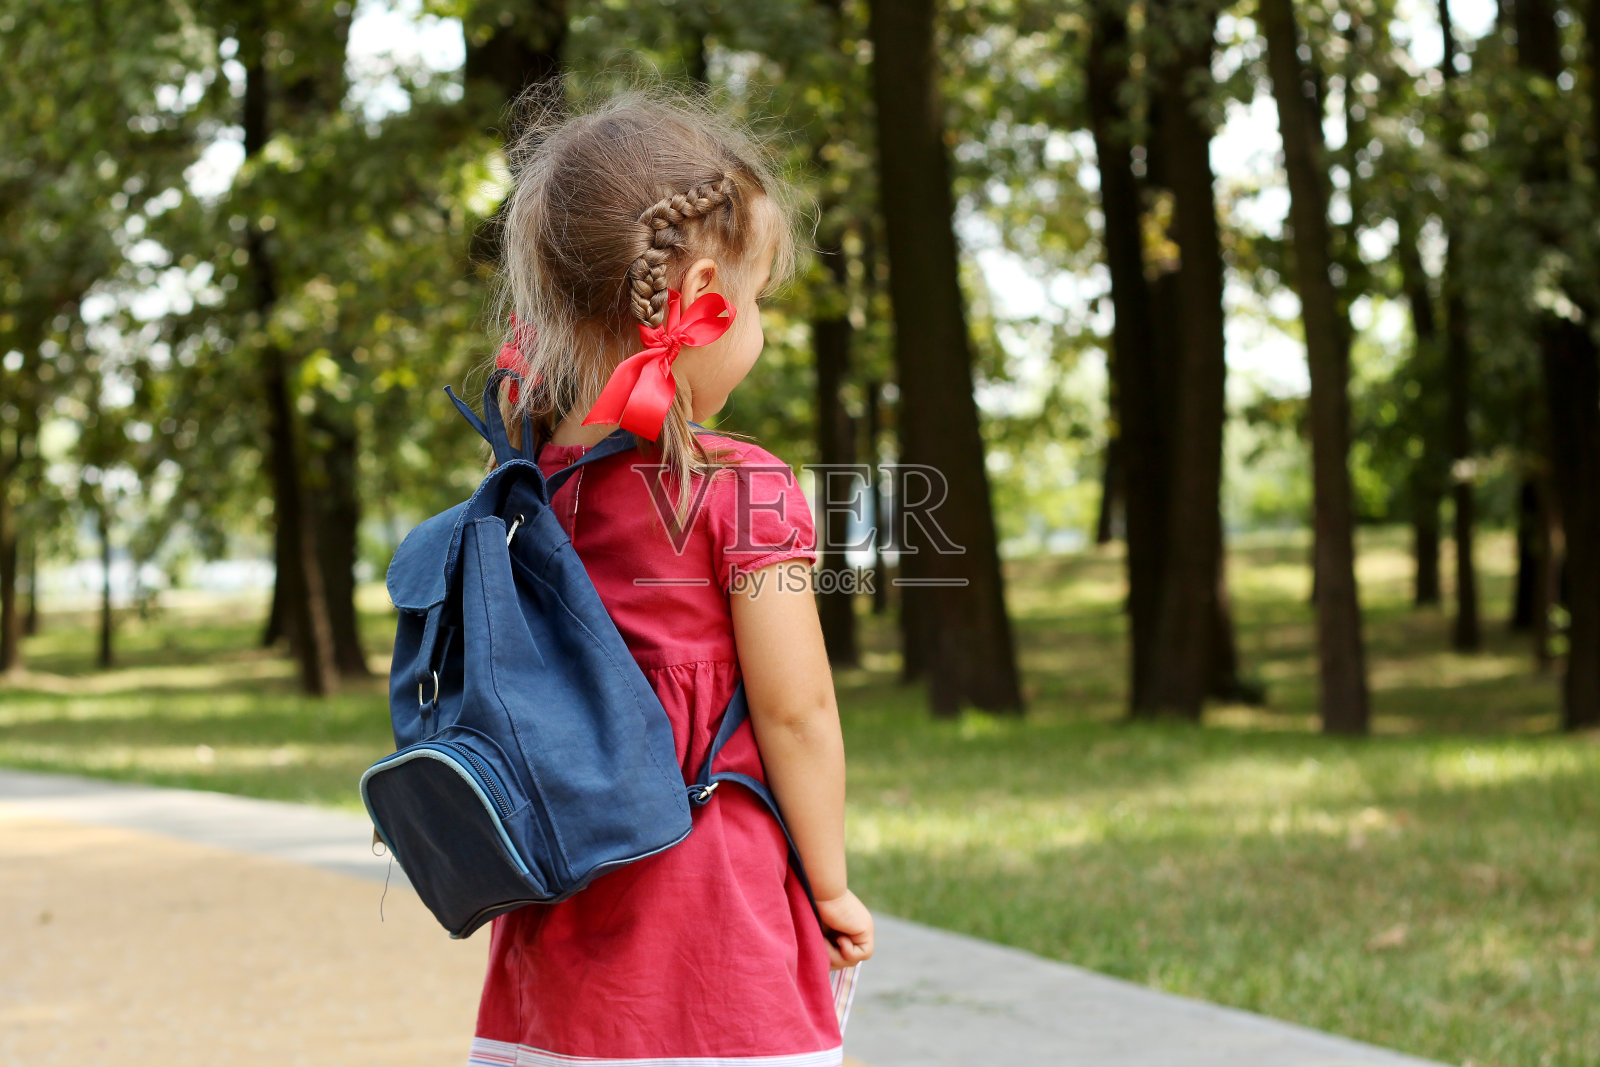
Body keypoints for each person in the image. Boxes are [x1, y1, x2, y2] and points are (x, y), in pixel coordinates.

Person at [466, 86, 875, 1067]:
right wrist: (828, 887)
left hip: (552, 950)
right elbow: (798, 712)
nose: (764, 329)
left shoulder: (521, 483)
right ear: (699, 296)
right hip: (711, 945)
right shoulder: (749, 488)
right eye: (760, 301)